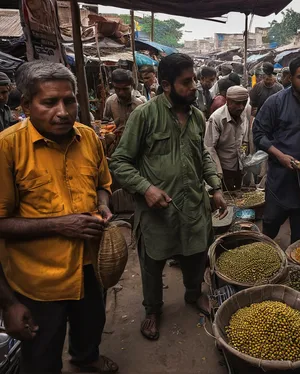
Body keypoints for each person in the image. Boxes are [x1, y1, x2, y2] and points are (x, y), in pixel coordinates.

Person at [0, 61, 118, 373]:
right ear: (26, 105)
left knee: (91, 323)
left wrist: (103, 205)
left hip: (90, 265)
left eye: (70, 100)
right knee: (41, 355)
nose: (63, 112)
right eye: (49, 102)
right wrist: (9, 303)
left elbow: (102, 184)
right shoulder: (7, 147)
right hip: (39, 282)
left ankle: (85, 357)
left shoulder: (88, 138)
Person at [110, 53, 227, 341]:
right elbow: (120, 162)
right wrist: (146, 188)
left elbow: (201, 154)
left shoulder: (197, 116)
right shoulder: (145, 115)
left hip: (193, 205)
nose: (194, 87)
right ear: (166, 85)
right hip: (158, 211)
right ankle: (152, 310)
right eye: (186, 82)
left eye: (195, 81)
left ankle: (193, 294)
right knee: (153, 264)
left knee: (196, 255)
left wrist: (215, 185)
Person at [253, 56, 300, 244]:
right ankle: (266, 254)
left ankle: (297, 266)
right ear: (290, 78)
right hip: (281, 179)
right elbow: (259, 135)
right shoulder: (275, 102)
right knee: (270, 224)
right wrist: (280, 156)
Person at [205, 86, 250, 191]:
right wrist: (218, 171)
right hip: (223, 168)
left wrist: (244, 152)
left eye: (244, 103)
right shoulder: (216, 118)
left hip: (239, 166)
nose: (241, 107)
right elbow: (209, 147)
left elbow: (245, 139)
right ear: (228, 101)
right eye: (237, 103)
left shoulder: (243, 115)